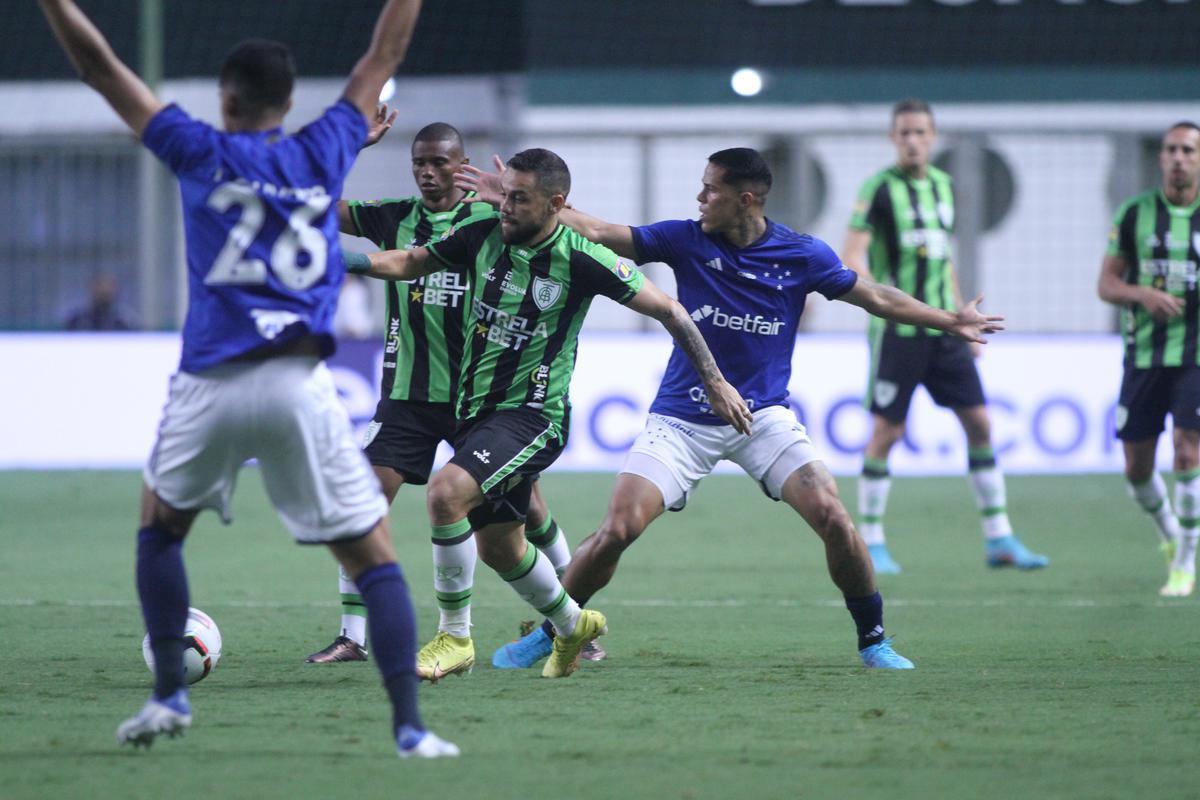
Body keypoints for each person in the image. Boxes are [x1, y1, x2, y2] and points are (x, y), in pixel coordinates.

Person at [38, 0, 458, 758]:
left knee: (161, 531)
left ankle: (169, 697)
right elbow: (381, 53)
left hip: (210, 381)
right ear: (290, 104)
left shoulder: (194, 147)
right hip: (300, 383)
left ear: (225, 100)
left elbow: (100, 68)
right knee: (373, 558)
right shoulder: (326, 146)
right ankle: (410, 728)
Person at [480, 147, 1004, 672]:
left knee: (835, 517)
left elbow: (878, 297)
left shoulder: (802, 254)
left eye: (711, 190)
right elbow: (597, 230)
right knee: (618, 528)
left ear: (745, 200)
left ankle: (874, 640)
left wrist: (949, 320)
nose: (700, 197)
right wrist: (520, 201)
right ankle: (553, 633)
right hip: (681, 420)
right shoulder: (685, 238)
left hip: (762, 419)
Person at [349, 147, 753, 678]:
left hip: (533, 416)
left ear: (556, 204)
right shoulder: (483, 235)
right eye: (505, 196)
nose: (505, 208)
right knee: (500, 547)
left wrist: (715, 379)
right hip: (476, 412)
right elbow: (410, 260)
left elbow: (670, 308)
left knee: (446, 493)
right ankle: (572, 622)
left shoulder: (582, 257)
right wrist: (346, 261)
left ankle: (454, 639)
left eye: (519, 199)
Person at [307, 123, 601, 676]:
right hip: (410, 394)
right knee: (363, 500)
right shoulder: (394, 217)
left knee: (523, 514)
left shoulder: (495, 220)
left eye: (441, 163)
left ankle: (574, 616)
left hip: (482, 397)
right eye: (421, 162)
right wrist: (346, 145)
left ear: (464, 167)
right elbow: (320, 207)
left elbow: (561, 223)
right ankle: (353, 635)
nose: (429, 171)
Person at [841, 98, 1048, 575]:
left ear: (932, 138)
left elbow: (943, 259)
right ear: (893, 139)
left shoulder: (944, 187)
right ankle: (870, 541)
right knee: (886, 431)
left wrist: (964, 322)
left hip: (946, 329)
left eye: (920, 132)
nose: (913, 140)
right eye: (904, 133)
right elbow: (852, 256)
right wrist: (883, 300)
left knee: (980, 424)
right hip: (899, 331)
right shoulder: (878, 189)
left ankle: (999, 537)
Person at [1098, 121, 1200, 598]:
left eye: (1188, 150)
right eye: (1172, 149)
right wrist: (1142, 294)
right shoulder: (1136, 215)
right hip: (1143, 356)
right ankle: (1171, 534)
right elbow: (1107, 285)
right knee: (1137, 468)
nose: (1179, 158)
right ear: (1161, 158)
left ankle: (1184, 563)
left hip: (1195, 357)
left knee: (1186, 449)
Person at [65, 272, 138, 330]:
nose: (105, 290)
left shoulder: (123, 322)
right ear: (92, 289)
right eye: (101, 292)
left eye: (108, 292)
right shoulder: (78, 321)